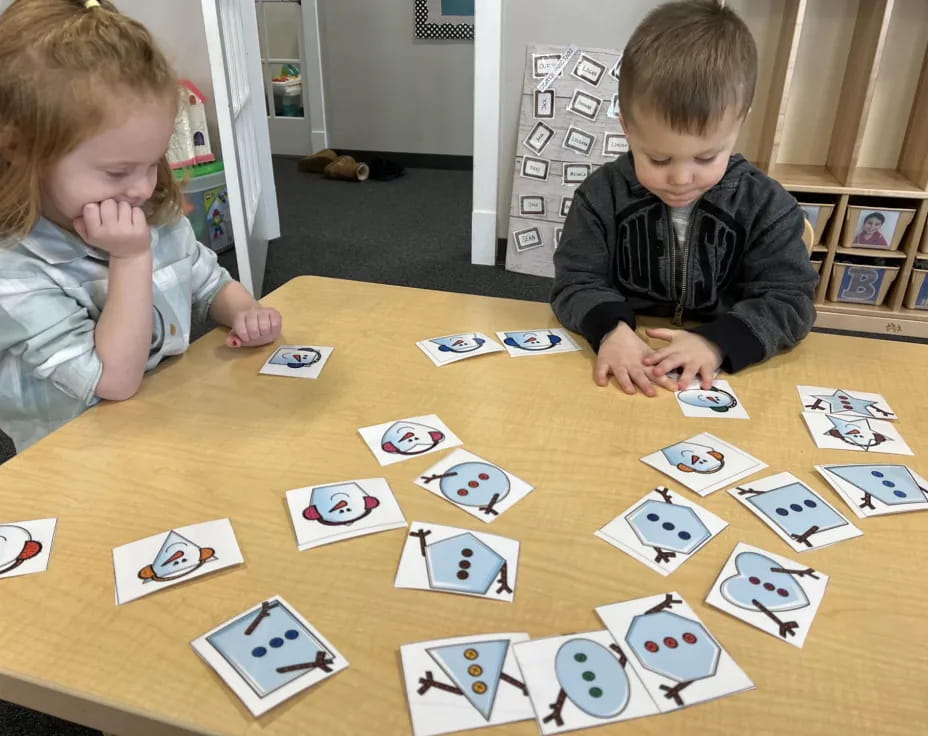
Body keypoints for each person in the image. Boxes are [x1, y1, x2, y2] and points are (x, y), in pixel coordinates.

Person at [0, 0, 283, 451]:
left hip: (161, 421)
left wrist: (245, 311)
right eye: (117, 172)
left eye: (152, 164)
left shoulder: (147, 212)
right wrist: (130, 258)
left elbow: (207, 282)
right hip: (74, 457)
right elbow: (112, 380)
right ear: (18, 149)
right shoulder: (14, 272)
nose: (141, 189)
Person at [551, 0, 817, 396]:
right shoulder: (599, 196)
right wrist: (610, 329)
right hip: (630, 357)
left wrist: (717, 341)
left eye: (706, 157)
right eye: (657, 158)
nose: (679, 178)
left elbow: (791, 300)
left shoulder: (766, 206)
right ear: (626, 127)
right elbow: (575, 280)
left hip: (724, 374)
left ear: (739, 122)